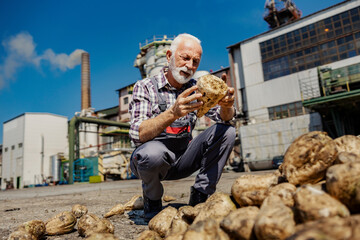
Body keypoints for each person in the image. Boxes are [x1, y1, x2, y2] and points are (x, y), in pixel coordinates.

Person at [129, 33, 236, 221]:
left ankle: (200, 196)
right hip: (153, 162)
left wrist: (226, 106)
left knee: (228, 131)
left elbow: (224, 119)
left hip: (183, 159)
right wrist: (173, 113)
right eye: (185, 58)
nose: (190, 66)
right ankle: (153, 200)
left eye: (195, 61)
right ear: (169, 56)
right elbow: (138, 135)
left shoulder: (198, 89)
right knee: (149, 154)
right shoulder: (145, 87)